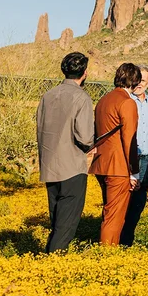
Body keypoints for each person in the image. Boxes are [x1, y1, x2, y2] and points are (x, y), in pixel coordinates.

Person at [36, 52, 95, 253]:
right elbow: (85, 138)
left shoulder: (48, 95)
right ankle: (53, 262)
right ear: (84, 73)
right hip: (72, 167)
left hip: (49, 166)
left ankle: (47, 259)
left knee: (56, 221)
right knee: (66, 224)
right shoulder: (81, 97)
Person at [89, 63, 142, 245]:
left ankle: (104, 248)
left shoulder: (104, 100)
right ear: (135, 81)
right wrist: (134, 172)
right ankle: (108, 253)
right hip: (118, 167)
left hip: (101, 163)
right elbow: (129, 140)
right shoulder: (127, 102)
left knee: (108, 211)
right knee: (114, 216)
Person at [120, 64, 148, 247]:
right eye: (137, 80)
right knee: (123, 201)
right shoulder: (126, 100)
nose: (139, 84)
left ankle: (127, 241)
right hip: (127, 159)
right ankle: (116, 240)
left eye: (143, 80)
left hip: (144, 160)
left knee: (138, 202)